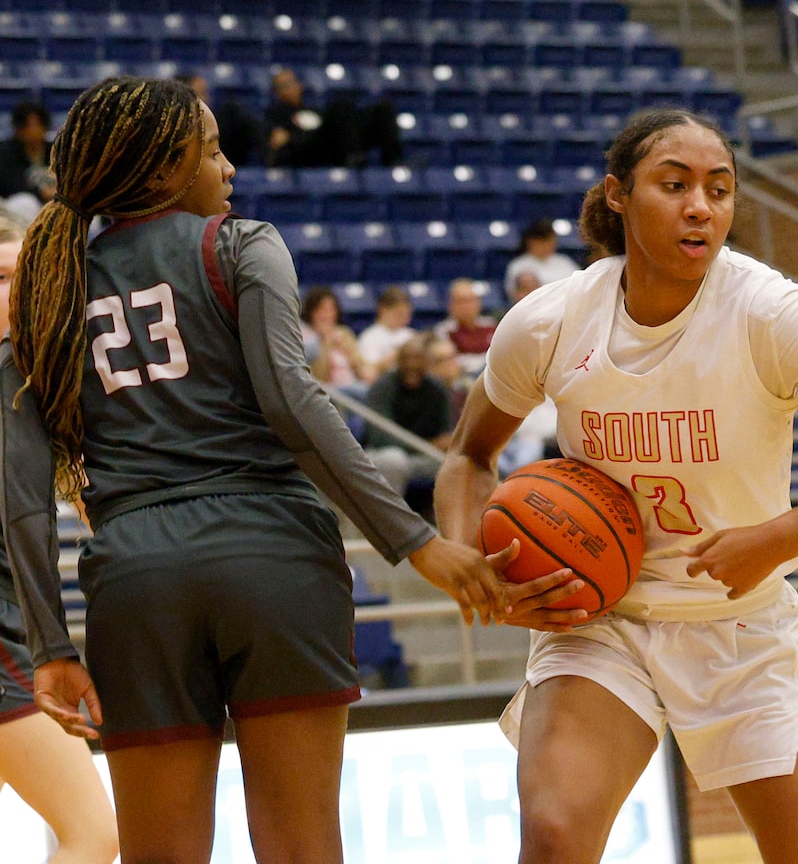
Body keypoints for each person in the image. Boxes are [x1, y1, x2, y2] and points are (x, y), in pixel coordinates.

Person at [2, 77, 568, 863]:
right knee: (301, 850)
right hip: (273, 557)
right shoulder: (239, 243)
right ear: (167, 168)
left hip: (134, 577)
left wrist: (50, 645)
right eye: (211, 149)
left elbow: (21, 493)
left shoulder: (48, 289)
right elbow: (293, 404)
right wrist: (415, 542)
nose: (229, 167)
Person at [433, 108, 798, 864]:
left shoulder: (771, 312)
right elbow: (468, 455)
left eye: (719, 190)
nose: (700, 207)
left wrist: (779, 537)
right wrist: (468, 562)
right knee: (553, 838)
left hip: (738, 626)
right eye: (673, 184)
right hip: (601, 619)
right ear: (617, 195)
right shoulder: (550, 321)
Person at [0, 221, 119, 864]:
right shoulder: (10, 384)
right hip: (6, 650)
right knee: (94, 837)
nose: (15, 292)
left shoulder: (37, 386)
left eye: (24, 275)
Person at [362, 334, 455, 501]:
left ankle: (446, 523)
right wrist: (428, 445)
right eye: (407, 359)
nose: (412, 364)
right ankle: (389, 521)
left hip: (424, 458)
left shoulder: (437, 389)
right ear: (398, 361)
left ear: (426, 362)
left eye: (417, 359)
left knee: (458, 463)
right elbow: (380, 437)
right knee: (394, 460)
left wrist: (441, 444)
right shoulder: (382, 387)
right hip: (383, 454)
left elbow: (446, 434)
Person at [264, 67, 403, 168]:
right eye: (284, 85)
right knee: (340, 106)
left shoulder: (314, 109)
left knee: (383, 109)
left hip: (331, 143)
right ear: (276, 92)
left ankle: (392, 161)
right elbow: (278, 141)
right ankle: (352, 155)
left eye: (293, 83)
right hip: (307, 151)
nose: (292, 88)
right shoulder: (274, 115)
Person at [176, 72, 264, 169]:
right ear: (184, 97)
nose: (206, 98)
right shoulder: (177, 132)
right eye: (201, 93)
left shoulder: (225, 120)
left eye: (206, 93)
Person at [301, 285, 374, 391]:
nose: (327, 314)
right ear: (312, 312)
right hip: (327, 391)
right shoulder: (307, 337)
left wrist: (348, 351)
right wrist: (326, 342)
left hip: (353, 387)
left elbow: (365, 372)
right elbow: (319, 377)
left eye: (331, 309)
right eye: (322, 309)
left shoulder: (344, 333)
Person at [0, 101, 55, 223]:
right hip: (19, 205)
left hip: (53, 201)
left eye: (37, 125)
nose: (33, 131)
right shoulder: (6, 152)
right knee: (25, 203)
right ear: (19, 128)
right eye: (28, 125)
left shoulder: (56, 150)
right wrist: (40, 193)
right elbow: (9, 184)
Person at [503, 218, 580, 304]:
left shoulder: (565, 261)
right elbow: (515, 295)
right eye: (545, 241)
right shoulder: (518, 265)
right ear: (531, 241)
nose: (550, 245)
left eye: (552, 241)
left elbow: (579, 286)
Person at [432, 277, 496, 377]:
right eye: (461, 301)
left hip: (491, 377)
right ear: (451, 305)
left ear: (478, 303)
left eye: (470, 300)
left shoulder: (491, 325)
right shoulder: (444, 331)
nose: (466, 306)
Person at [356, 285, 417, 376]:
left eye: (407, 315)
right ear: (383, 310)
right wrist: (399, 354)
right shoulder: (370, 336)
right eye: (399, 314)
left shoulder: (411, 334)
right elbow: (369, 368)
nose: (406, 319)